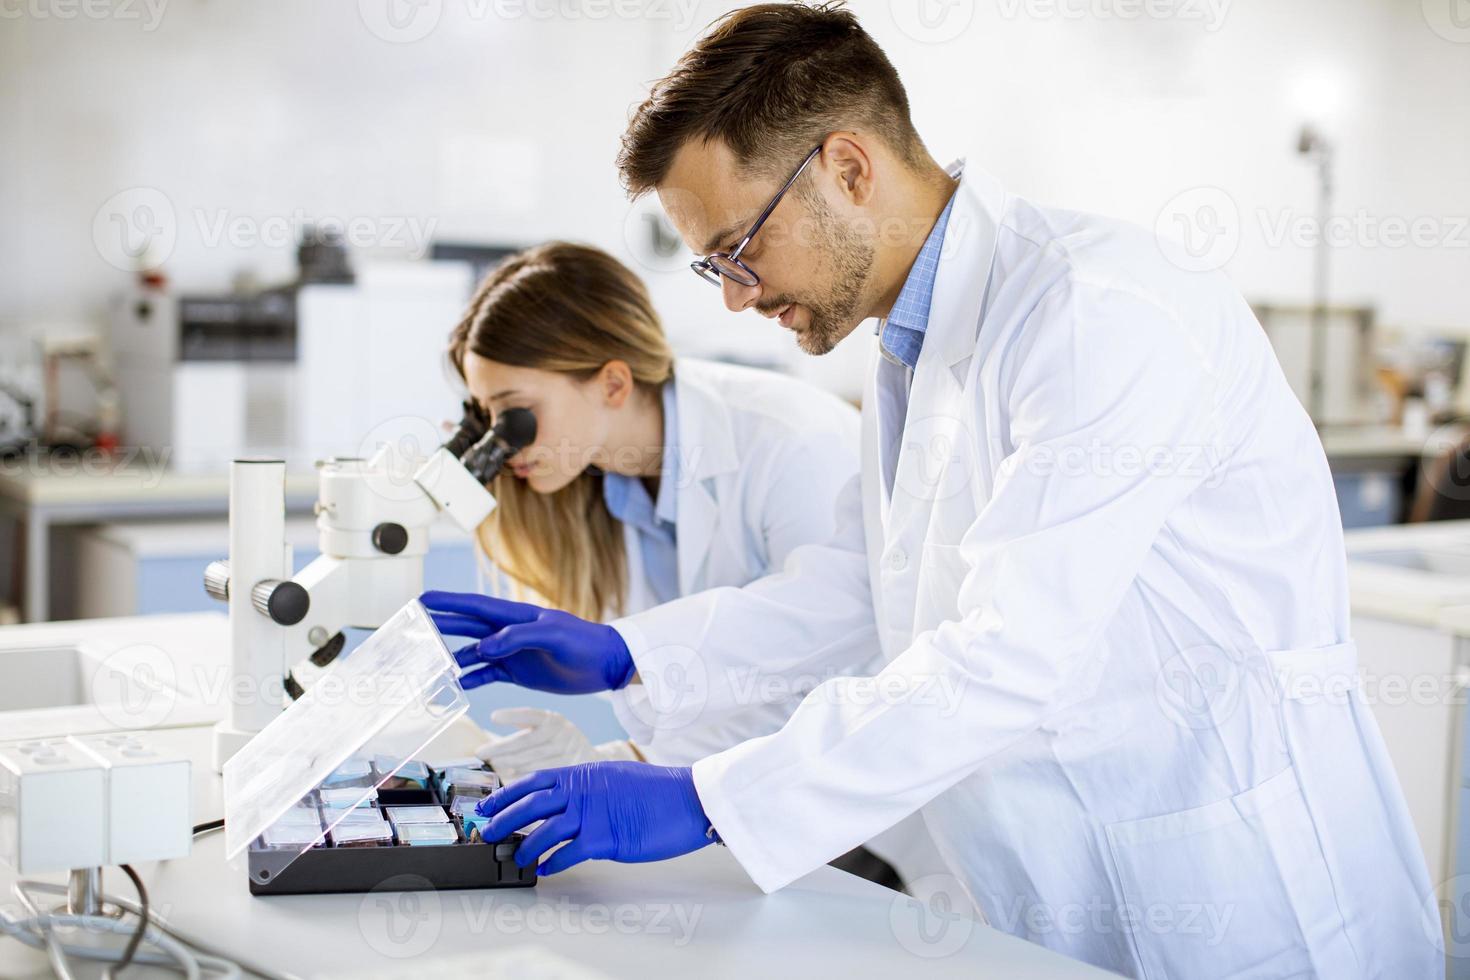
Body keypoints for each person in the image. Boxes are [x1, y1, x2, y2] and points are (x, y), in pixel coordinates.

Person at [425, 6, 1439, 978]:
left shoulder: (1094, 314)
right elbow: (872, 593)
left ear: (849, 168)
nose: (734, 294)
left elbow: (1006, 650)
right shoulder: (914, 349)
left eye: (740, 248)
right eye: (711, 266)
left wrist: (710, 797)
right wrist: (631, 653)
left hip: (1237, 886)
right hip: (1056, 885)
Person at [433, 240, 944, 884]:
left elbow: (830, 661)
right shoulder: (601, 490)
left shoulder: (788, 442)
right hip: (736, 807)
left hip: (858, 809)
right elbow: (707, 679)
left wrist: (641, 755)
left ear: (613, 383)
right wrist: (626, 758)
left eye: (514, 414)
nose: (503, 446)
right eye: (486, 417)